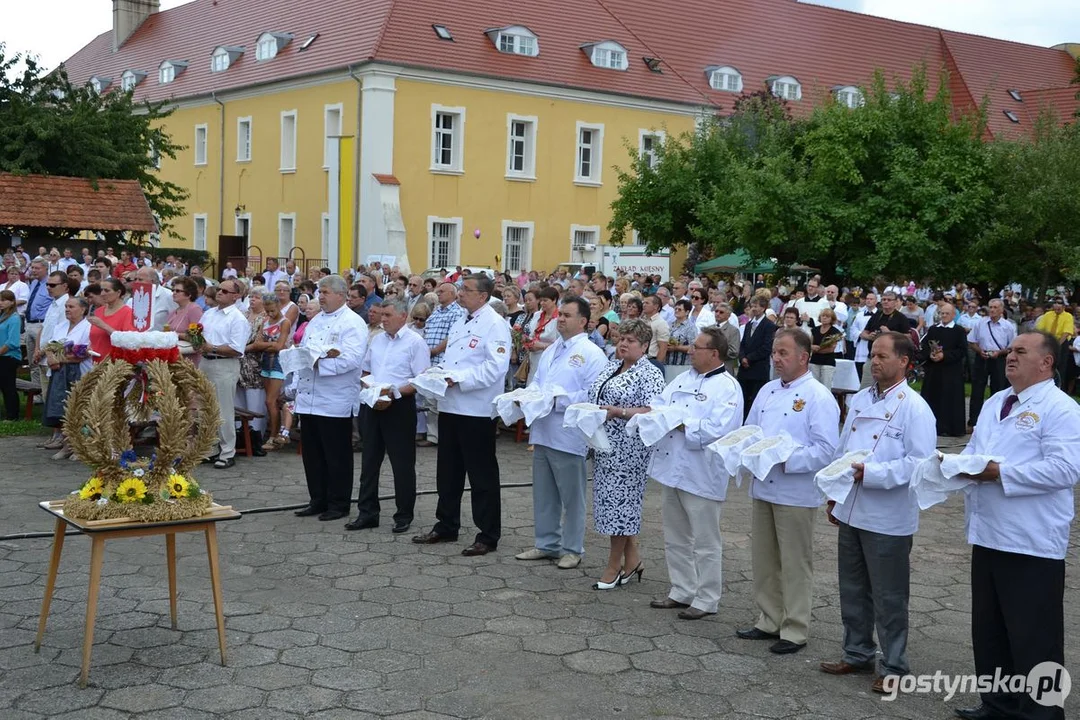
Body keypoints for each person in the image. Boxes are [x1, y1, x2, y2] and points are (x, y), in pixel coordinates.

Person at [952, 332, 1080, 720]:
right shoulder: (995, 402)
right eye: (1010, 350)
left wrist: (999, 473)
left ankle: (1041, 714)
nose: (1010, 356)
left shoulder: (1061, 409)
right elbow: (975, 455)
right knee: (990, 632)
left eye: (1020, 351)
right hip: (989, 533)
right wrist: (954, 466)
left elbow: (1065, 469)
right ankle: (998, 705)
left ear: (1046, 362)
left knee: (1034, 638)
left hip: (1031, 540)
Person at [820, 332, 937, 694]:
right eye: (873, 355)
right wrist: (835, 493)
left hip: (888, 517)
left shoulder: (915, 407)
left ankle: (895, 666)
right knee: (852, 588)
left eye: (883, 356)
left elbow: (920, 465)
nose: (875, 361)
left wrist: (872, 474)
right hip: (853, 509)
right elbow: (843, 448)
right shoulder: (859, 400)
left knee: (889, 596)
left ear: (903, 361)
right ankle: (856, 651)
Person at [736, 329, 838, 652]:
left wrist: (785, 459)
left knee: (794, 561)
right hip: (764, 487)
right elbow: (750, 431)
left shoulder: (819, 396)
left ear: (803, 357)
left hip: (795, 491)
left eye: (783, 353)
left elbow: (826, 450)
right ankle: (769, 618)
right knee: (765, 559)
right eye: (775, 353)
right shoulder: (767, 391)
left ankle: (795, 628)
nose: (776, 359)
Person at [412, 275, 510, 556]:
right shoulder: (460, 320)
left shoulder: (495, 324)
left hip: (476, 409)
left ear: (483, 295)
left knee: (481, 476)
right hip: (450, 405)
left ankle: (488, 535)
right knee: (448, 472)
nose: (460, 294)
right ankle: (446, 524)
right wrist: (439, 373)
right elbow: (451, 359)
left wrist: (460, 378)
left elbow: (495, 368)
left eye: (466, 290)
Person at [648, 326, 742, 619]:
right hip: (673, 466)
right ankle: (682, 589)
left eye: (697, 347)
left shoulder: (728, 387)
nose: (690, 350)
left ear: (714, 353)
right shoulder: (681, 380)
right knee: (675, 535)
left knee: (704, 539)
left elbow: (717, 430)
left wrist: (677, 421)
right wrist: (671, 418)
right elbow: (659, 407)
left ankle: (707, 597)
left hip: (703, 472)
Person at [514, 296, 607, 569]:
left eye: (567, 315)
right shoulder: (554, 349)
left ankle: (572, 548)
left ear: (583, 321)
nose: (561, 319)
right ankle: (547, 543)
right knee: (544, 493)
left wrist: (557, 400)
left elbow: (593, 394)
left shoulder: (592, 354)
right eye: (560, 314)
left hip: (569, 434)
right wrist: (527, 396)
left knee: (572, 496)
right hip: (543, 430)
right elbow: (539, 382)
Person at [588, 319, 666, 589]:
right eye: (622, 338)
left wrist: (619, 412)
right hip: (605, 446)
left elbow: (653, 410)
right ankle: (633, 560)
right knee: (612, 505)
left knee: (620, 507)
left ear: (645, 346)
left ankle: (614, 565)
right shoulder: (612, 365)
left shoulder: (650, 373)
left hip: (630, 450)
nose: (623, 343)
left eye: (631, 341)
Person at [347, 299, 429, 534]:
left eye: (387, 315)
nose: (382, 319)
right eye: (381, 314)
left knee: (402, 464)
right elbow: (366, 370)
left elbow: (420, 380)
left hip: (399, 406)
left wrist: (393, 394)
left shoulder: (415, 343)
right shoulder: (377, 340)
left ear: (403, 316)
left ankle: (404, 514)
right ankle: (367, 513)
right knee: (369, 461)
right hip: (373, 404)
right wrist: (370, 388)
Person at [293, 275, 370, 520]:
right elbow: (304, 351)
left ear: (341, 295)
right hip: (309, 397)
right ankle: (318, 499)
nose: (321, 297)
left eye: (325, 292)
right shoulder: (315, 322)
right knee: (312, 454)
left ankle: (339, 503)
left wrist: (319, 364)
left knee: (336, 455)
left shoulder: (353, 323)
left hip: (334, 399)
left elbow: (351, 360)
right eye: (320, 292)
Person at [198, 278, 251, 470]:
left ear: (236, 296)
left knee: (223, 409)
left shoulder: (238, 319)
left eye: (225, 291)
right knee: (205, 408)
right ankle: (210, 448)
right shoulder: (209, 313)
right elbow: (199, 334)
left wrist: (211, 347)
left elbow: (237, 349)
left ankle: (228, 451)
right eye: (219, 289)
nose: (219, 292)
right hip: (206, 361)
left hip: (224, 365)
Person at [42, 297, 92, 459]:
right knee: (61, 408)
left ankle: (80, 446)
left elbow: (83, 353)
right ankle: (66, 443)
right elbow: (50, 345)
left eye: (71, 306)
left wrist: (60, 359)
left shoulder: (88, 327)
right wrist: (50, 357)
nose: (67, 309)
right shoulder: (60, 326)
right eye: (66, 307)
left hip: (78, 371)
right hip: (58, 372)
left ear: (83, 309)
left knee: (78, 408)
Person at [967, 298, 1016, 433]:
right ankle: (973, 422)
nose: (992, 310)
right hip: (982, 358)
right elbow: (971, 342)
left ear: (1001, 309)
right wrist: (979, 351)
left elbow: (1011, 347)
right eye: (991, 307)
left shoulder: (1008, 326)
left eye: (995, 307)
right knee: (977, 390)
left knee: (998, 390)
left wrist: (999, 352)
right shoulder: (980, 323)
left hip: (999, 359)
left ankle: (995, 421)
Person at [919, 303, 968, 437]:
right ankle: (931, 426)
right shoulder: (933, 329)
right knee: (932, 397)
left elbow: (962, 351)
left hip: (951, 372)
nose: (944, 316)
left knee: (950, 400)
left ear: (953, 315)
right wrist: (930, 355)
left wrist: (944, 355)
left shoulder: (959, 331)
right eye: (942, 313)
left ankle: (950, 428)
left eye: (947, 313)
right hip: (934, 371)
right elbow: (925, 346)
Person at [257, 292, 292, 449]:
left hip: (279, 362)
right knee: (271, 402)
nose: (270, 313)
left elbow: (279, 346)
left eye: (273, 310)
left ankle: (273, 436)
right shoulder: (265, 320)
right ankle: (274, 432)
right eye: (267, 310)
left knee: (270, 401)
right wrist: (267, 345)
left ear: (279, 306)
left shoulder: (285, 322)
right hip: (266, 361)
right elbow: (258, 342)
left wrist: (264, 345)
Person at [858, 291, 909, 389]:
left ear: (895, 302)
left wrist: (889, 333)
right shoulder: (877, 315)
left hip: (890, 359)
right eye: (884, 299)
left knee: (886, 388)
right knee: (865, 388)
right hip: (872, 357)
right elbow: (864, 333)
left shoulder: (901, 318)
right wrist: (870, 336)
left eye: (889, 300)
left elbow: (908, 338)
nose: (886, 302)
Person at [738, 296, 777, 419]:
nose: (753, 309)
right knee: (743, 398)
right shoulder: (749, 324)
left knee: (755, 399)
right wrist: (742, 357)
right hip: (745, 369)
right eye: (752, 306)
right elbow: (743, 343)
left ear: (763, 308)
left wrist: (749, 358)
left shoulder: (769, 325)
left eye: (756, 306)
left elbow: (766, 347)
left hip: (758, 368)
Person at [523, 286, 559, 384]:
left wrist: (542, 346)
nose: (542, 303)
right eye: (541, 300)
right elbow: (532, 334)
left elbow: (562, 343)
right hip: (533, 356)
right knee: (531, 383)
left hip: (550, 358)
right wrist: (526, 340)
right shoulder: (537, 314)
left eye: (545, 300)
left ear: (554, 300)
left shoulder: (559, 318)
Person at [809, 308, 844, 390]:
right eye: (822, 316)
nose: (824, 318)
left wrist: (818, 350)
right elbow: (810, 344)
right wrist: (812, 347)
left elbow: (831, 349)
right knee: (814, 386)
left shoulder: (835, 332)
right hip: (814, 361)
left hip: (827, 362)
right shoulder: (815, 330)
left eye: (827, 316)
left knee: (825, 386)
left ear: (832, 319)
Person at [0, 291, 21, 421]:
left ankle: (12, 415)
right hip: (2, 355)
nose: (1, 303)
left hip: (8, 356)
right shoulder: (2, 316)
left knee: (8, 386)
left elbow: (12, 341)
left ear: (12, 302)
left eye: (4, 300)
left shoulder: (14, 318)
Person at [664, 299, 698, 369]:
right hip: (667, 362)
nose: (676, 311)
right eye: (675, 309)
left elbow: (693, 347)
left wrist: (676, 348)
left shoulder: (691, 327)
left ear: (687, 312)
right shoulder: (670, 324)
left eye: (679, 309)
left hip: (682, 365)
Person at [642, 295, 670, 371]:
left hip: (651, 360)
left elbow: (663, 348)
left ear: (655, 306)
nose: (644, 305)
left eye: (647, 303)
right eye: (644, 302)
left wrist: (656, 366)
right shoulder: (642, 321)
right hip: (640, 358)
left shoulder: (661, 323)